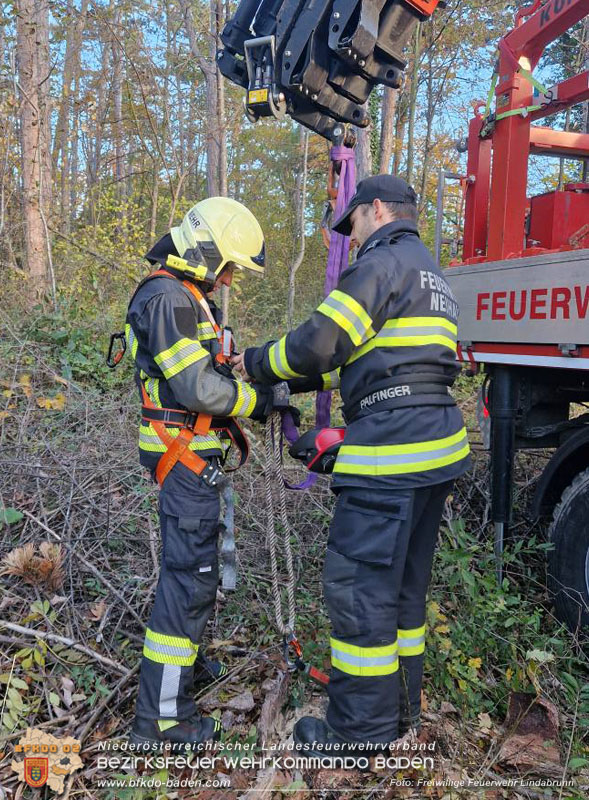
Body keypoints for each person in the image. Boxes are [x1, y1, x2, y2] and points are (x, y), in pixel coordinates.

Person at [233, 174, 471, 757]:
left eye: (354, 222)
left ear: (378, 209)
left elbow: (319, 343)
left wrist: (257, 363)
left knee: (360, 593)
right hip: (435, 450)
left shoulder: (378, 265)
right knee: (403, 595)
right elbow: (384, 361)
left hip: (393, 454)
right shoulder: (431, 273)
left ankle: (357, 736)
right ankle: (401, 714)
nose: (352, 236)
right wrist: (315, 405)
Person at [127, 197, 275, 750]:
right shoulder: (168, 297)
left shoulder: (184, 295)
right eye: (228, 265)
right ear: (205, 250)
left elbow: (201, 372)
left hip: (191, 458)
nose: (230, 277)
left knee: (198, 575)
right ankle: (162, 719)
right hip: (183, 459)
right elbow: (194, 389)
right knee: (188, 581)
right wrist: (256, 401)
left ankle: (183, 668)